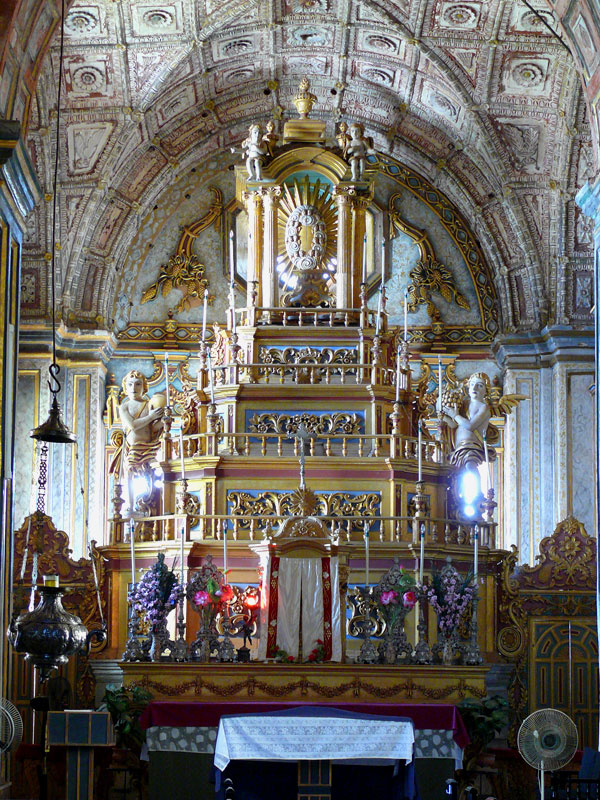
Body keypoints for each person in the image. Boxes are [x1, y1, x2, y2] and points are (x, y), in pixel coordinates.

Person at [441, 372, 496, 469]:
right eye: (472, 384)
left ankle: (478, 485)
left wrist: (455, 415)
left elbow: (470, 426)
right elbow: (454, 425)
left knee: (470, 467)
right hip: (458, 448)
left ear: (486, 391)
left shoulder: (484, 408)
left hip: (472, 447)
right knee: (458, 476)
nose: (474, 388)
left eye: (479, 386)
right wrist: (443, 416)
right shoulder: (464, 404)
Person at [119, 370, 165, 475]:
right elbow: (132, 425)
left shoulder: (149, 404)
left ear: (144, 387)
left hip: (148, 447)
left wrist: (164, 422)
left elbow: (152, 429)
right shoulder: (124, 407)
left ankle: (154, 491)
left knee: (154, 470)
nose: (133, 388)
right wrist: (151, 416)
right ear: (126, 387)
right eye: (130, 384)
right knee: (130, 471)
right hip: (133, 448)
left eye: (138, 384)